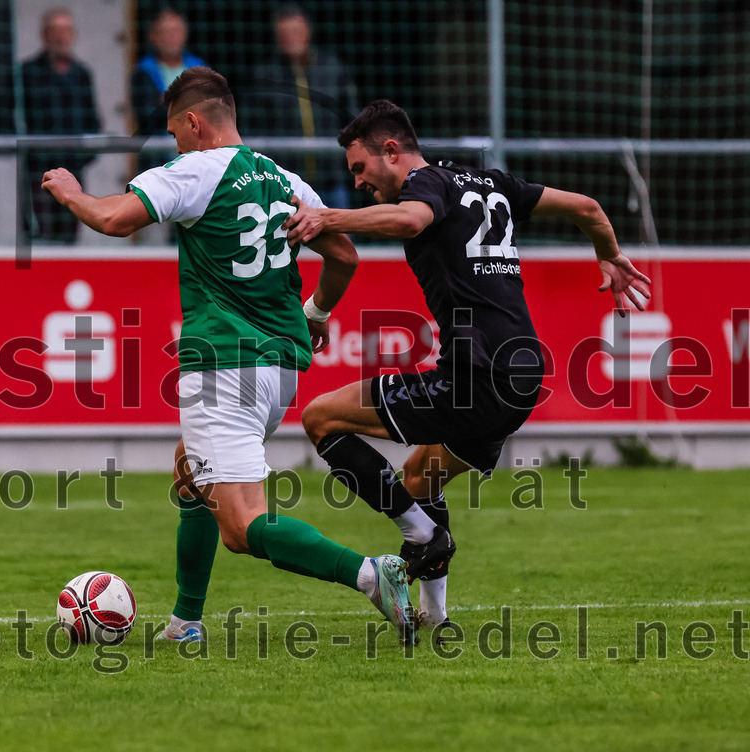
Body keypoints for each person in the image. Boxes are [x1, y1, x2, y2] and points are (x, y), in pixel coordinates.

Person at [42, 68, 416, 644]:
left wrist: (70, 190)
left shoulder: (192, 170)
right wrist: (315, 314)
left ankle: (371, 575)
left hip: (224, 364)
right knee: (190, 473)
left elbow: (115, 219)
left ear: (193, 123)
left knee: (241, 527)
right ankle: (185, 622)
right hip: (280, 368)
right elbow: (344, 257)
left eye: (173, 134)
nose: (175, 145)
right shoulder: (286, 179)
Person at [284, 99, 652, 631]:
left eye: (360, 168)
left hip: (474, 378)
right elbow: (589, 207)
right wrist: (610, 255)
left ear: (392, 150)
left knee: (319, 417)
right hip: (524, 374)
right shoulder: (490, 183)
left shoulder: (426, 185)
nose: (359, 182)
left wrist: (328, 217)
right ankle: (436, 615)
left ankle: (424, 536)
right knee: (420, 474)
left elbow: (412, 219)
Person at [246, 5, 358, 209]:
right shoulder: (265, 76)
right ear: (277, 38)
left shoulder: (332, 68)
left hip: (331, 181)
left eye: (296, 32)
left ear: (308, 31)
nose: (291, 39)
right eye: (285, 34)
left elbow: (353, 119)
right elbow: (252, 128)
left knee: (339, 238)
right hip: (285, 186)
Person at [21, 8, 101, 243]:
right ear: (44, 35)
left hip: (73, 170)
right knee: (40, 235)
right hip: (39, 173)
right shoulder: (27, 73)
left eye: (65, 30)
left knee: (70, 233)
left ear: (73, 35)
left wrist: (84, 156)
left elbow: (91, 120)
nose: (60, 36)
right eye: (54, 30)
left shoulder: (82, 74)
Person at [130, 8, 207, 139]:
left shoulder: (200, 68)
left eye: (176, 31)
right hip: (159, 151)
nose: (172, 38)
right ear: (153, 36)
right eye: (166, 32)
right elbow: (147, 116)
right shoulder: (143, 71)